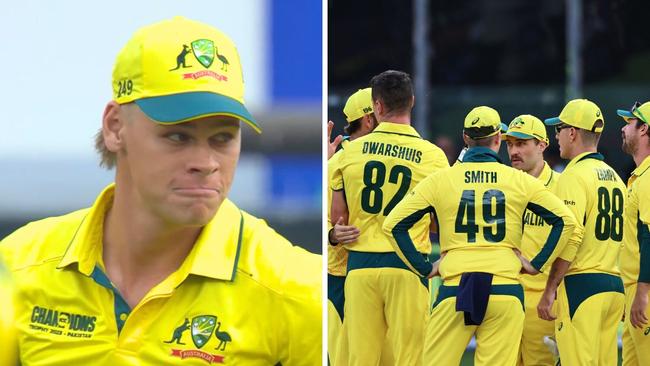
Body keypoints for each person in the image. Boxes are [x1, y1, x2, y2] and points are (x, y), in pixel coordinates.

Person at [0, 16, 321, 365]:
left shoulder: (297, 289)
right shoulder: (18, 265)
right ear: (114, 127)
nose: (206, 161)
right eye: (178, 136)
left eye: (223, 137)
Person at [384, 106, 577, 366]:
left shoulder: (441, 179)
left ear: (465, 138)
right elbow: (566, 222)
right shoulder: (518, 180)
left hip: (455, 286)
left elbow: (393, 224)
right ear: (498, 139)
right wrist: (535, 265)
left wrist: (424, 268)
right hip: (504, 288)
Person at [330, 70, 449, 365]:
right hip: (407, 266)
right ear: (411, 101)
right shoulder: (433, 156)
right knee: (411, 358)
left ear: (377, 106)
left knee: (361, 359)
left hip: (359, 269)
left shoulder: (347, 154)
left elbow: (338, 217)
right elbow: (441, 221)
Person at [541, 98, 625, 365]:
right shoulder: (615, 177)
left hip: (581, 286)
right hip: (613, 285)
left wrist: (550, 288)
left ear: (573, 132)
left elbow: (571, 235)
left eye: (559, 129)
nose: (557, 136)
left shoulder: (573, 175)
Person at [503, 115, 560, 366]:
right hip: (506, 299)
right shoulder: (500, 186)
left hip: (545, 303)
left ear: (542, 146)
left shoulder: (562, 187)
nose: (514, 151)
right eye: (510, 144)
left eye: (522, 144)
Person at [326, 87, 376, 365]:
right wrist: (332, 234)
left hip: (370, 271)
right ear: (370, 119)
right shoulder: (336, 160)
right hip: (341, 276)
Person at [618, 101, 650, 365]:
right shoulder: (639, 176)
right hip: (633, 290)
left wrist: (642, 293)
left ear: (644, 129)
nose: (623, 128)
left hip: (644, 293)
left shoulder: (648, 178)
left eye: (629, 122)